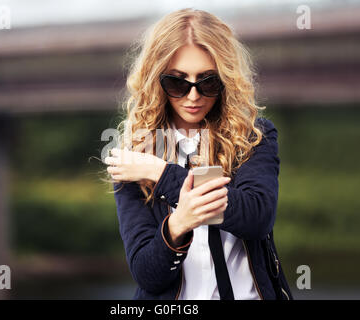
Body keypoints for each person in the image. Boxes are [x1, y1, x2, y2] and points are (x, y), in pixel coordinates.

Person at [104, 8, 292, 300]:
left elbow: (256, 216)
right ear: (157, 80)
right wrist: (178, 225)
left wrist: (161, 173)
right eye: (178, 81)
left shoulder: (253, 136)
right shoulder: (134, 156)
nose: (193, 96)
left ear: (225, 79)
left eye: (207, 82)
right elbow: (146, 274)